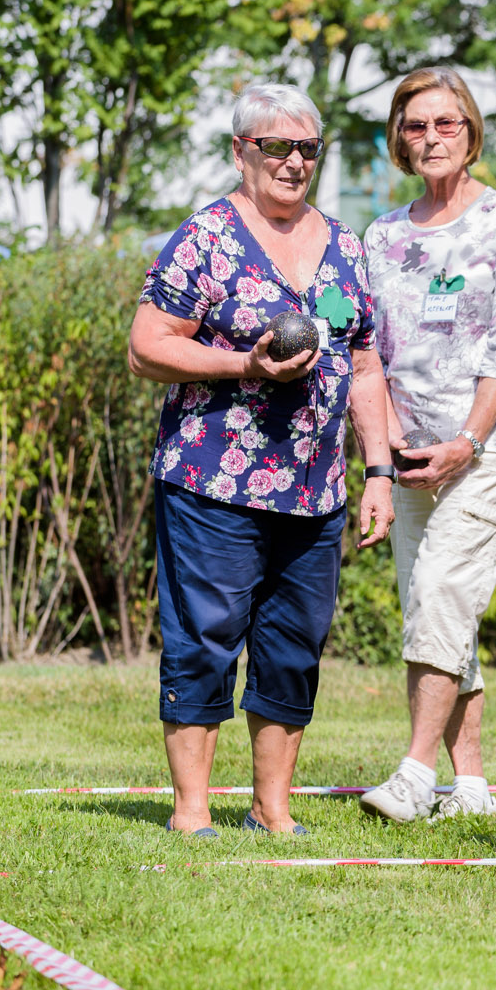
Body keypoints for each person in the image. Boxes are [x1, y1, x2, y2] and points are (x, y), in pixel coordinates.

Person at [128, 82, 393, 837]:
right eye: (277, 146)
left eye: (307, 147)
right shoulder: (206, 237)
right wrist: (240, 365)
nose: (294, 161)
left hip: (316, 492)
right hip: (214, 481)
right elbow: (148, 346)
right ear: (242, 151)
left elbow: (366, 363)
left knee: (293, 646)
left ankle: (272, 807)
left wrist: (378, 469)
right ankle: (192, 810)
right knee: (204, 636)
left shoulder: (343, 244)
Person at [356, 67, 496, 823]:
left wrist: (466, 440)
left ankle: (413, 773)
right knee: (438, 606)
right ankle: (469, 784)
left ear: (470, 132)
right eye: (414, 125)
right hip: (409, 453)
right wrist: (388, 436)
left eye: (445, 123)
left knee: (440, 592)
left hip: (491, 445)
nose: (429, 137)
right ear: (399, 139)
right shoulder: (382, 235)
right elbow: (364, 344)